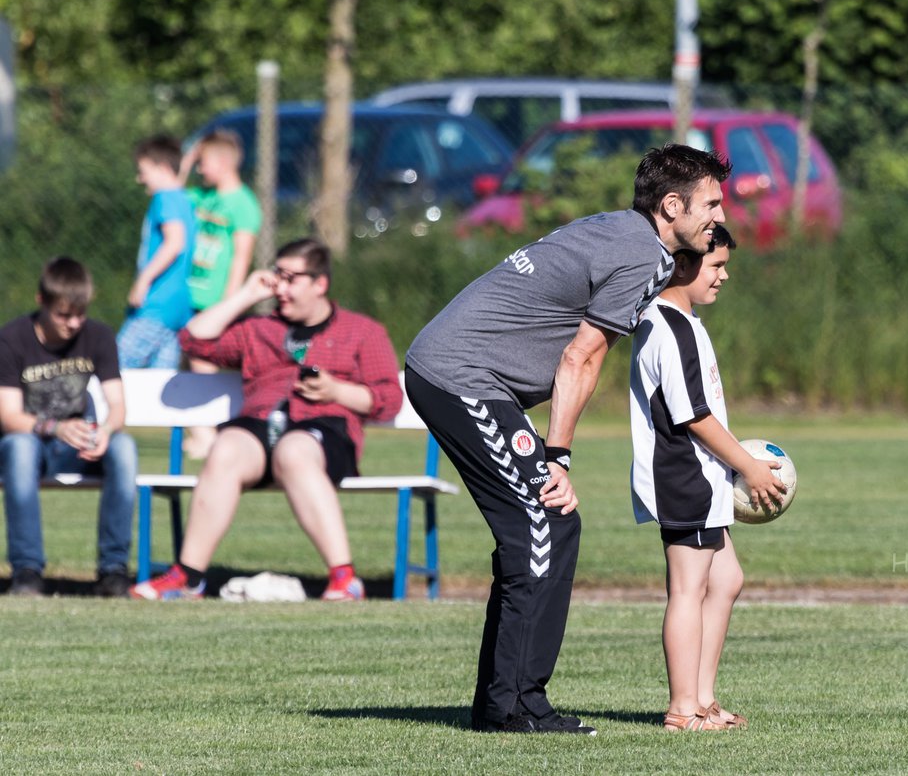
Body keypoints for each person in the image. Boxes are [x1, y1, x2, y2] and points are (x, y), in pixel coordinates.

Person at [403, 143, 732, 735]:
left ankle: (506, 700)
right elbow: (581, 359)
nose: (718, 217)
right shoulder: (641, 254)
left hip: (467, 378)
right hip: (461, 378)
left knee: (545, 526)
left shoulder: (623, 234)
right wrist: (558, 456)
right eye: (710, 204)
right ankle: (515, 706)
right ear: (672, 205)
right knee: (545, 521)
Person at [129, 238, 402, 602]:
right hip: (260, 428)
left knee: (294, 450)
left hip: (324, 433)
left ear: (320, 283)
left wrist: (337, 391)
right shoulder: (258, 329)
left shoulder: (362, 331)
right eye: (278, 276)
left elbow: (389, 399)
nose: (281, 288)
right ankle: (188, 577)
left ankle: (344, 578)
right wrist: (245, 295)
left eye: (292, 279)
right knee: (225, 448)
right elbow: (193, 340)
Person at [628, 225, 786, 731]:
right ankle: (682, 709)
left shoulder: (686, 323)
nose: (724, 275)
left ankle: (704, 699)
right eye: (715, 265)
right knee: (689, 588)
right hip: (685, 476)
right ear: (681, 264)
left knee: (727, 579)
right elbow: (694, 416)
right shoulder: (668, 326)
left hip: (702, 476)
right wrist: (748, 465)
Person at [0, 257, 138, 597]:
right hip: (32, 444)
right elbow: (9, 416)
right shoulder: (12, 338)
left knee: (125, 447)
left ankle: (113, 571)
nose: (74, 323)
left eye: (80, 314)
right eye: (64, 315)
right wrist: (57, 428)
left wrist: (105, 430)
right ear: (41, 302)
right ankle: (28, 571)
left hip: (78, 446)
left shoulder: (99, 336)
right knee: (18, 446)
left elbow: (118, 405)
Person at [182, 129, 262, 458]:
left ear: (224, 163)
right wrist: (187, 160)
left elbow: (241, 257)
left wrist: (229, 303)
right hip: (189, 296)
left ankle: (206, 434)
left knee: (203, 361)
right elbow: (169, 193)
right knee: (191, 361)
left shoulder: (243, 204)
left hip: (216, 300)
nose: (200, 169)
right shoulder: (202, 197)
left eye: (204, 163)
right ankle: (201, 430)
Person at [117, 135, 196, 369]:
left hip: (155, 305)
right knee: (158, 382)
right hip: (179, 308)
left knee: (113, 371)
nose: (140, 178)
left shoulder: (164, 198)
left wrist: (143, 280)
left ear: (162, 168)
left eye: (143, 171)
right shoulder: (184, 199)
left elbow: (174, 243)